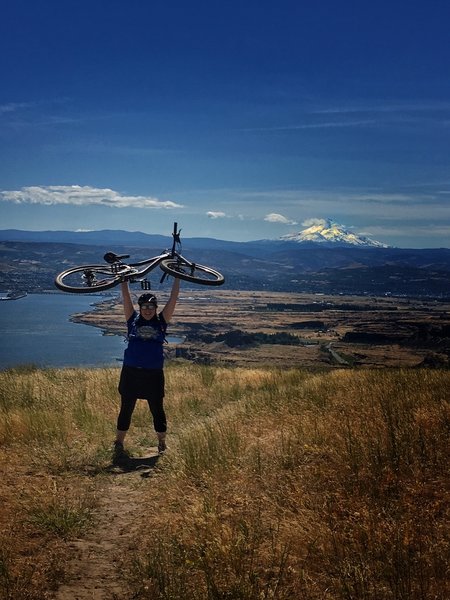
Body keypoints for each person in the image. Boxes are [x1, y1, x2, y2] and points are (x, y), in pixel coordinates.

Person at [114, 276, 180, 455]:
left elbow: (173, 299)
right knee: (126, 408)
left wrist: (177, 278)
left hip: (153, 374)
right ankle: (119, 443)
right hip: (131, 372)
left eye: (151, 307)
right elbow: (126, 298)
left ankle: (162, 444)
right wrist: (123, 281)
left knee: (157, 408)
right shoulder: (132, 320)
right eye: (144, 307)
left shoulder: (161, 322)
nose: (148, 310)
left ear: (156, 308)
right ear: (140, 308)